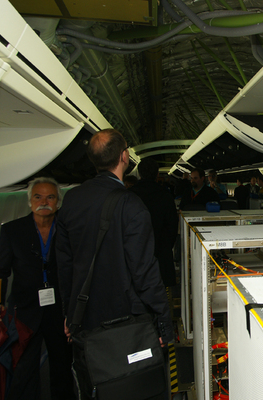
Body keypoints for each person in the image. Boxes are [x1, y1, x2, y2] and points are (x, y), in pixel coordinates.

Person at [56, 129, 172, 399]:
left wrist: (68, 312)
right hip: (126, 320)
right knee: (131, 385)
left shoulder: (71, 200)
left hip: (86, 317)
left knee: (97, 385)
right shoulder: (131, 205)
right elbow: (144, 272)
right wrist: (164, 325)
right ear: (125, 156)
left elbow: (64, 265)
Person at [0, 177, 75, 400]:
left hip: (60, 310)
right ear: (29, 201)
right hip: (25, 310)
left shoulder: (70, 230)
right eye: (38, 197)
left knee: (62, 367)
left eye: (50, 197)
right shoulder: (12, 231)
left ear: (58, 202)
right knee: (24, 369)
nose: (44, 202)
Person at [131, 158, 178, 287]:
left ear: (139, 174)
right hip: (160, 251)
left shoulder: (129, 195)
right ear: (157, 174)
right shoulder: (165, 195)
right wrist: (166, 246)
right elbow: (172, 226)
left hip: (135, 253)